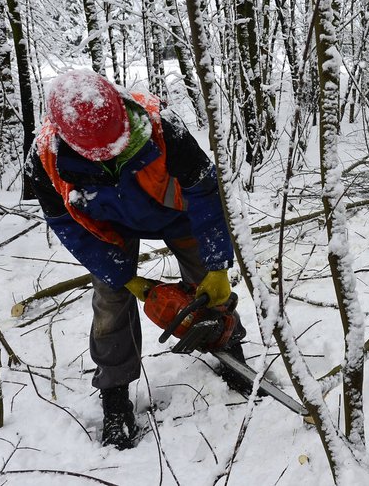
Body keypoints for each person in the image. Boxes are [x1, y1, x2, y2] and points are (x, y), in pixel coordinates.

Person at [25, 68, 246, 450]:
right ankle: (115, 390)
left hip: (175, 213)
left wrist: (217, 264)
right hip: (107, 228)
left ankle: (229, 349)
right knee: (110, 300)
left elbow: (205, 190)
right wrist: (122, 275)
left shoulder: (163, 126)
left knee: (209, 287)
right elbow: (65, 224)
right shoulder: (45, 158)